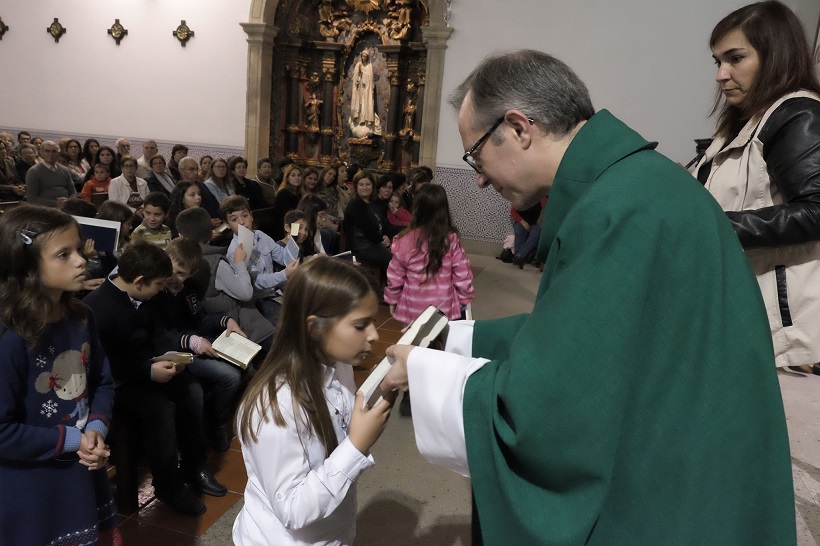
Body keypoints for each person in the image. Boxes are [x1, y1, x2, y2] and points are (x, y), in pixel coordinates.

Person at [380, 49, 796, 544]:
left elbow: (550, 411)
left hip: (668, 486)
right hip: (692, 442)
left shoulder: (614, 210)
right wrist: (455, 339)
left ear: (518, 128)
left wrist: (426, 373)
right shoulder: (638, 184)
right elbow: (581, 336)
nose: (480, 178)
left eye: (476, 154)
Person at [692, 0, 820, 371]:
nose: (721, 74)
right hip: (743, 312)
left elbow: (816, 211)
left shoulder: (798, 114)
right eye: (717, 62)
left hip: (782, 329)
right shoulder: (743, 123)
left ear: (774, 56)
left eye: (735, 58)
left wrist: (710, 225)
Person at [232, 257, 394, 546]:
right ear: (315, 327)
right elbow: (292, 510)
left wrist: (387, 385)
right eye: (360, 325)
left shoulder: (337, 363)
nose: (374, 335)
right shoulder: (276, 405)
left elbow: (340, 419)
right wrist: (356, 446)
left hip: (330, 533)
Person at [0, 205, 119, 545]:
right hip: (30, 482)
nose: (81, 261)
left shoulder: (81, 316)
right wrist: (74, 440)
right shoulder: (10, 339)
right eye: (64, 254)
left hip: (80, 467)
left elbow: (101, 382)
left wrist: (95, 429)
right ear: (26, 266)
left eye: (79, 249)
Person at [83, 240, 221, 516]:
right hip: (118, 381)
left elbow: (157, 331)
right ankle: (168, 486)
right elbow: (104, 364)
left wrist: (167, 355)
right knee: (158, 409)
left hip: (146, 365)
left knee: (192, 389)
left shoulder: (145, 296)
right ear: (139, 281)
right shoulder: (98, 308)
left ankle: (194, 465)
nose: (161, 289)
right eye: (158, 285)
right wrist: (148, 370)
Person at [384, 183, 474, 324]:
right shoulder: (450, 239)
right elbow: (462, 273)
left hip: (413, 307)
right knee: (441, 338)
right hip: (443, 307)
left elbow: (395, 275)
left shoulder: (404, 238)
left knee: (413, 337)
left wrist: (393, 299)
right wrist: (464, 298)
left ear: (417, 208)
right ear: (443, 209)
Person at [224, 195, 299, 326]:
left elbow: (281, 256)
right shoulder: (234, 252)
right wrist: (284, 274)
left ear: (251, 216)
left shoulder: (260, 235)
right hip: (258, 300)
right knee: (288, 322)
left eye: (245, 216)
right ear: (227, 224)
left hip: (274, 291)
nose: (241, 222)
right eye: (234, 219)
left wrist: (294, 237)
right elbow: (256, 282)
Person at [343, 170, 392, 268]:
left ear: (373, 186)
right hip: (361, 247)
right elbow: (368, 230)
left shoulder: (372, 203)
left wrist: (386, 236)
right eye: (361, 185)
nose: (365, 187)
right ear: (356, 186)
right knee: (394, 262)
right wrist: (382, 240)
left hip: (372, 243)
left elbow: (382, 223)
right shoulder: (356, 204)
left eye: (368, 184)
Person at [25, 140, 80, 208]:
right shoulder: (34, 171)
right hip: (45, 209)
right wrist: (55, 203)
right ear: (41, 153)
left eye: (54, 151)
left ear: (58, 154)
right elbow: (31, 199)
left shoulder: (65, 170)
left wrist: (68, 202)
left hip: (67, 207)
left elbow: (73, 192)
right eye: (47, 151)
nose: (51, 154)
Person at [271, 164, 303, 240]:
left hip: (298, 224)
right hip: (285, 228)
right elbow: (283, 217)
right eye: (293, 175)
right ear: (287, 178)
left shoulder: (300, 193)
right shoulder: (283, 193)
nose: (297, 178)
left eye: (299, 175)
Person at [511, 198, 545, 269]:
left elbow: (545, 210)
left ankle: (519, 255)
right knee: (519, 232)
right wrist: (523, 222)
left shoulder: (541, 199)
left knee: (536, 234)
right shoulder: (522, 198)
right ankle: (518, 257)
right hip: (521, 222)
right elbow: (513, 211)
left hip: (534, 223)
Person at [350, 50, 377, 136]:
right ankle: (359, 120)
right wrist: (358, 76)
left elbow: (370, 78)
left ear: (367, 57)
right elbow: (355, 77)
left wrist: (364, 74)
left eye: (365, 56)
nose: (363, 58)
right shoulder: (359, 65)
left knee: (366, 104)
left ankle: (365, 120)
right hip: (360, 89)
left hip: (367, 90)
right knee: (359, 104)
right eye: (362, 56)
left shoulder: (369, 66)